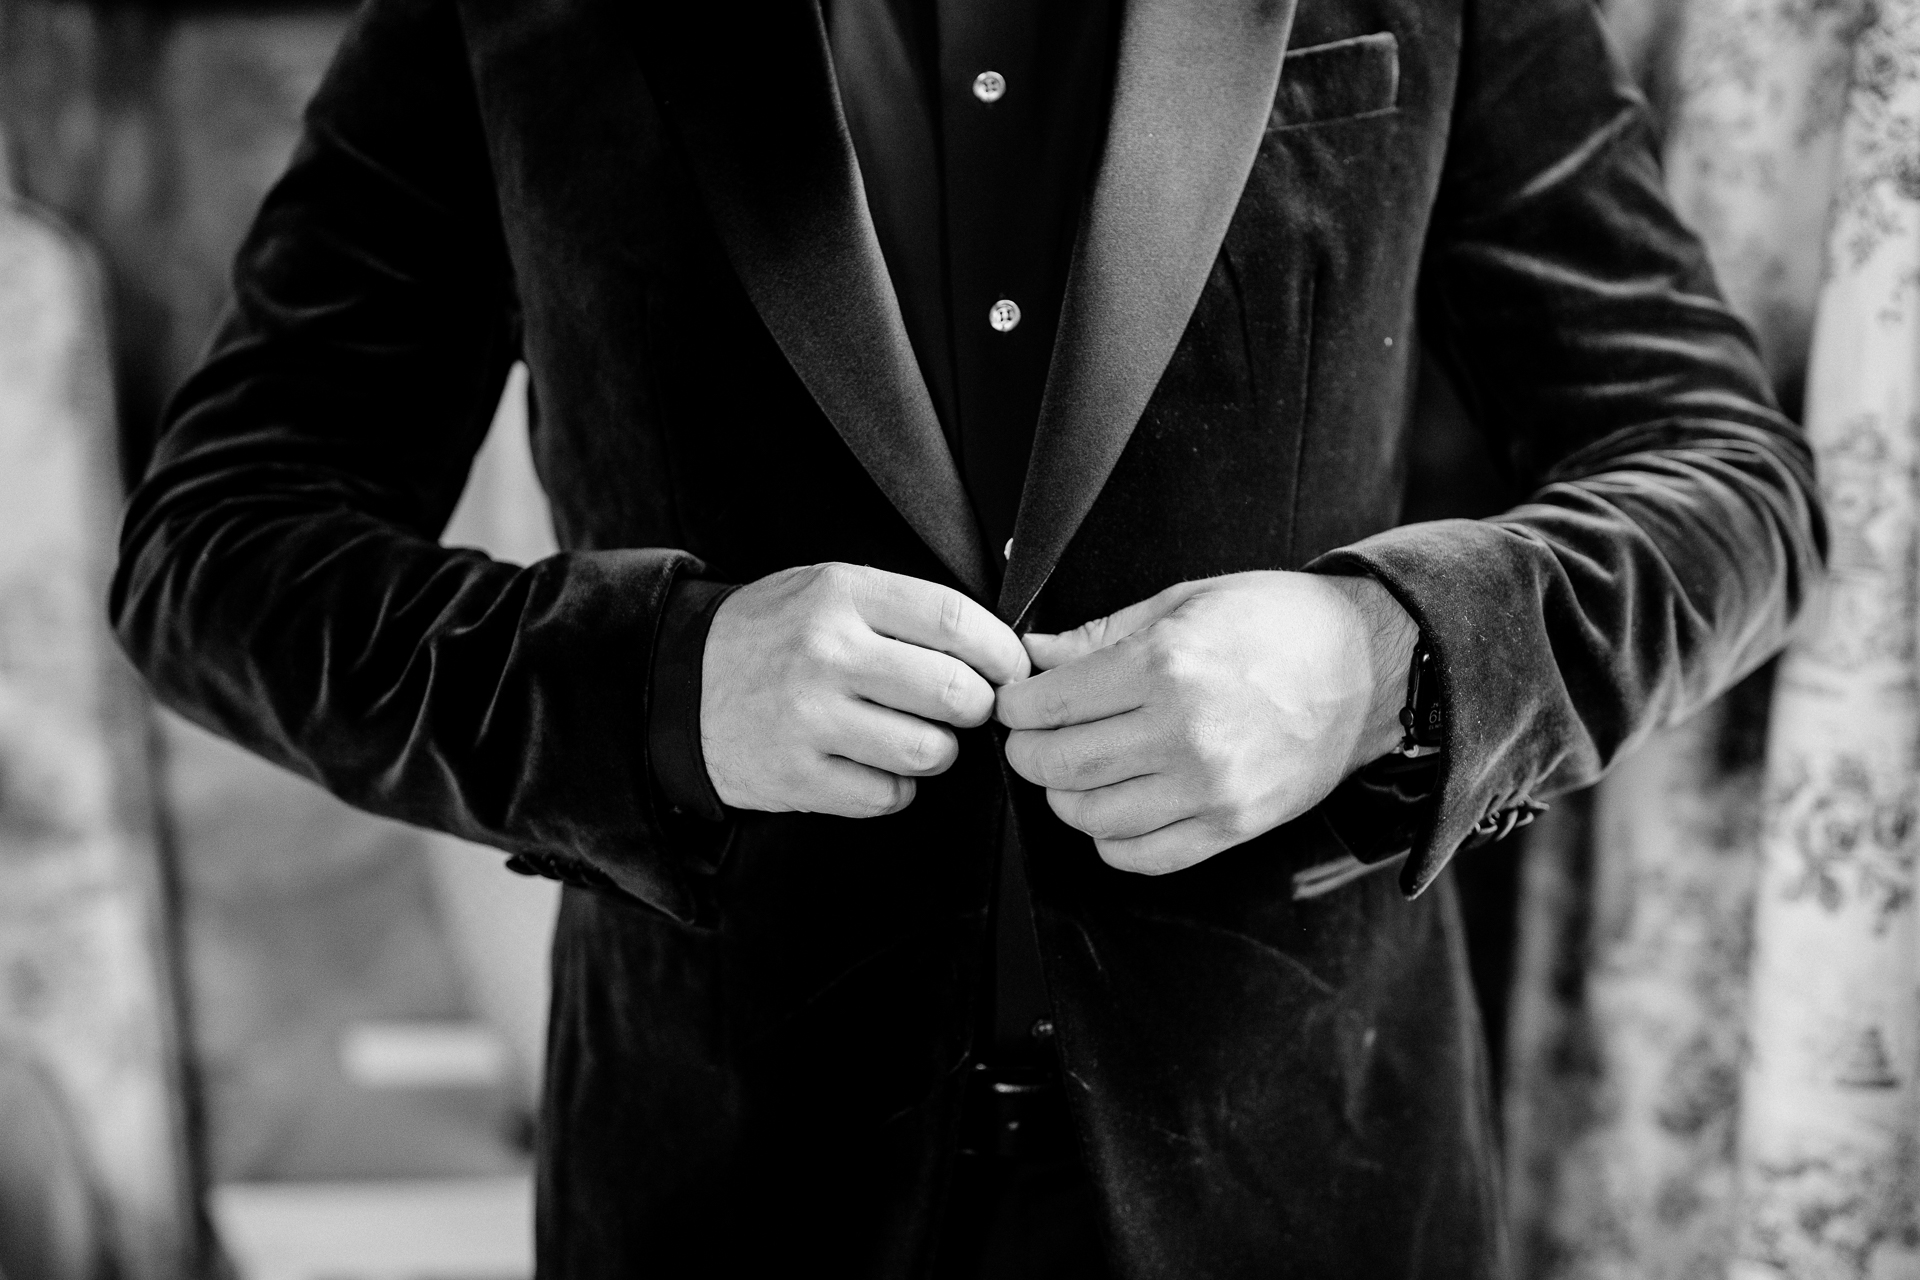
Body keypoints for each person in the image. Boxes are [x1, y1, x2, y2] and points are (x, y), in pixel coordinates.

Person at [108, 0, 1824, 1271]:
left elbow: (1731, 484)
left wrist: (1384, 662)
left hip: (1305, 1191)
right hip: (725, 1201)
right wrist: (656, 687)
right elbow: (211, 552)